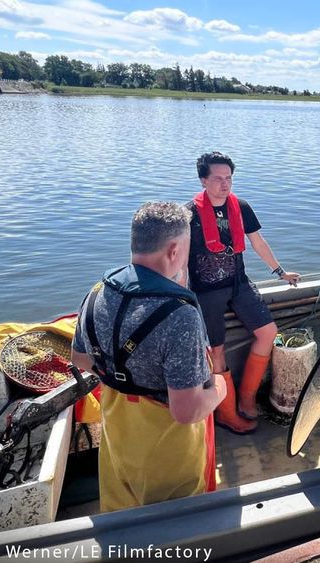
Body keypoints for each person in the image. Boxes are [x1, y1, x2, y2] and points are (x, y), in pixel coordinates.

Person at [71, 202, 221, 512]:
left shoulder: (97, 292)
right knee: (177, 525)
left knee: (123, 521)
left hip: (118, 440)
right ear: (174, 250)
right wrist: (220, 387)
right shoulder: (180, 315)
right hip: (168, 455)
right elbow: (187, 411)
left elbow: (80, 359)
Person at [187, 151, 300, 435]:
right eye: (217, 178)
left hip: (238, 284)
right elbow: (177, 260)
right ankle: (226, 413)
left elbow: (257, 241)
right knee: (217, 352)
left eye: (229, 178)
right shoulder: (188, 215)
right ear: (203, 180)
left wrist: (280, 272)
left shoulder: (241, 207)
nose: (225, 184)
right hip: (206, 291)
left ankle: (247, 398)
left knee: (268, 332)